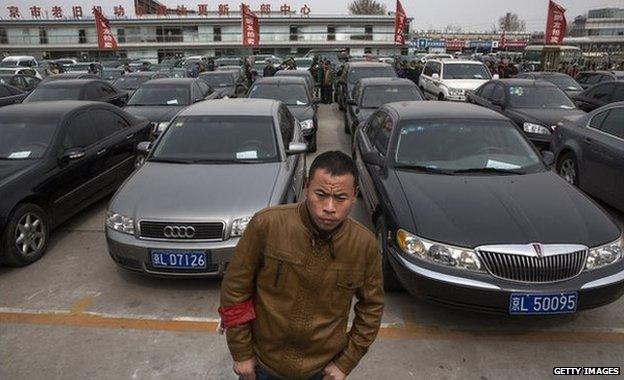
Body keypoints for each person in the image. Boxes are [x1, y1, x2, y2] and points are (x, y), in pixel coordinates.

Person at [220, 151, 383, 380]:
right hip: (262, 365)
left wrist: (346, 363)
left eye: (340, 198)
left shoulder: (363, 244)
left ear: (354, 195)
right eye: (321, 194)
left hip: (323, 370)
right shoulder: (267, 224)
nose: (329, 207)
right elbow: (235, 290)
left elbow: (371, 308)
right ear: (307, 187)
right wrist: (241, 352)